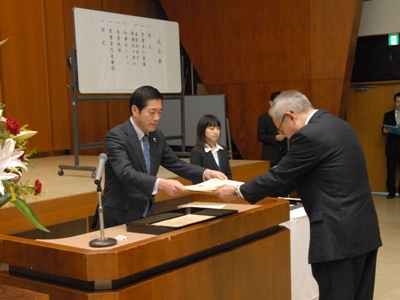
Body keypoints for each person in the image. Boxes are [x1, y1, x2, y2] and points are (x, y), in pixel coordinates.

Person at [214, 90, 382, 300]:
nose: (284, 134)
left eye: (281, 127)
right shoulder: (339, 125)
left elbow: (279, 176)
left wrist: (237, 191)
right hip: (364, 230)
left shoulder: (308, 135)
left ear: (290, 116)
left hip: (337, 238)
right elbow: (301, 174)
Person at [91, 85, 227, 229]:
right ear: (135, 110)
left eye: (160, 112)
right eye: (152, 112)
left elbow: (175, 163)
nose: (156, 118)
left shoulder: (157, 136)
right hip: (119, 216)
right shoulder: (117, 136)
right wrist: (161, 183)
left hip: (146, 212)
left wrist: (206, 173)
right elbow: (126, 173)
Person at [190, 114, 233, 184]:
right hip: (207, 191)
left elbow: (228, 173)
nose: (216, 132)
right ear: (202, 130)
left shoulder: (223, 150)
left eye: (218, 128)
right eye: (212, 129)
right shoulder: (196, 152)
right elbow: (196, 178)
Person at [257, 91, 287, 167]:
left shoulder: (286, 116)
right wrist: (275, 138)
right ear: (271, 103)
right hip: (270, 155)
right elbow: (260, 136)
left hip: (285, 154)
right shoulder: (264, 118)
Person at [381, 91, 400, 199]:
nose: (399, 104)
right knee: (391, 169)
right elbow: (383, 130)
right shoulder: (388, 115)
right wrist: (385, 130)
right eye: (397, 102)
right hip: (392, 147)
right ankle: (391, 191)